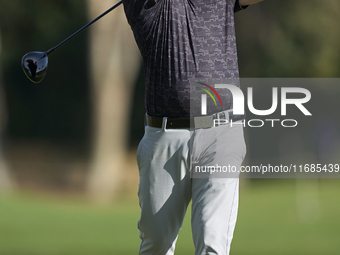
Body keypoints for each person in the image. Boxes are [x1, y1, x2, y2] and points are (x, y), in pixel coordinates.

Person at [122, 0, 263, 254]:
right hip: (164, 140)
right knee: (157, 244)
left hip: (222, 133)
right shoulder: (143, 5)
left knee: (213, 243)